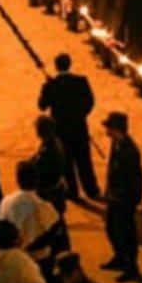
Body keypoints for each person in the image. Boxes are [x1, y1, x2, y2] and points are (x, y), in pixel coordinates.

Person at [38, 53, 100, 202]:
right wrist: (80, 115)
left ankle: (73, 191)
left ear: (56, 66)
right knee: (84, 160)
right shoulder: (81, 81)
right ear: (69, 64)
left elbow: (42, 106)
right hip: (79, 127)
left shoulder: (50, 85)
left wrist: (45, 90)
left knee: (67, 163)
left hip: (61, 130)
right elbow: (90, 101)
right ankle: (92, 190)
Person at [101, 112, 142, 282]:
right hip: (114, 196)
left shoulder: (129, 151)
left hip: (124, 200)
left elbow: (136, 179)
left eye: (109, 127)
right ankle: (119, 257)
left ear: (116, 129)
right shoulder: (116, 144)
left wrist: (132, 200)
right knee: (111, 228)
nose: (106, 130)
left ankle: (131, 266)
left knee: (126, 233)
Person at [0, 162, 62, 266]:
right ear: (36, 180)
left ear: (17, 180)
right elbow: (55, 230)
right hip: (37, 258)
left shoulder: (6, 201)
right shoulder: (42, 205)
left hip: (13, 257)